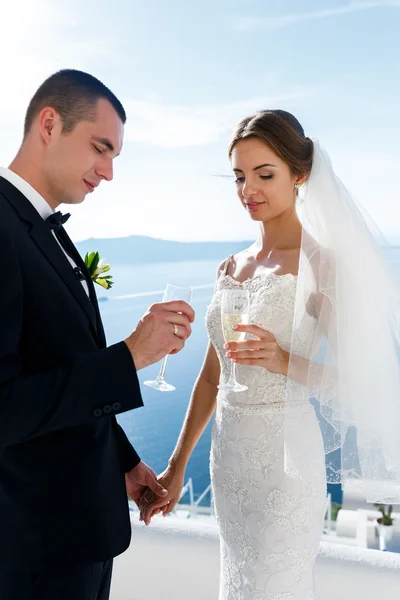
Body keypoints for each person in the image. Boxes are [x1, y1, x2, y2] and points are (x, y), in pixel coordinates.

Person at [141, 109, 400, 599]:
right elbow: (212, 377)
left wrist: (284, 361)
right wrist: (176, 468)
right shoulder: (229, 266)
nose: (248, 190)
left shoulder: (322, 265)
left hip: (286, 467)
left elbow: (358, 381)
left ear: (299, 175)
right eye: (240, 176)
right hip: (228, 463)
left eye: (265, 174)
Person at [0, 69, 194, 600]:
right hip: (35, 554)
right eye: (100, 148)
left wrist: (123, 462)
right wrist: (130, 356)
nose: (108, 172)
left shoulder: (38, 227)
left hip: (77, 539)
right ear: (49, 123)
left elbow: (59, 365)